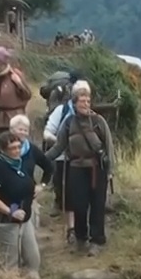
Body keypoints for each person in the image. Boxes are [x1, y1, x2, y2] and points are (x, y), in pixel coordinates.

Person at [0, 119, 55, 279]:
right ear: (3, 150)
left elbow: (46, 169)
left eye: (18, 147)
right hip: (5, 221)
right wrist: (11, 211)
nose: (16, 151)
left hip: (25, 217)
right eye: (12, 148)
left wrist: (40, 186)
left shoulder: (20, 162)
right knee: (11, 265)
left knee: (33, 260)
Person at [48, 87, 113, 255]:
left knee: (97, 205)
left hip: (97, 168)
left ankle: (97, 241)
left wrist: (110, 170)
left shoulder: (99, 121)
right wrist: (42, 159)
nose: (85, 104)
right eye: (82, 101)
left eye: (88, 101)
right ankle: (81, 239)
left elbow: (109, 147)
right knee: (79, 205)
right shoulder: (68, 123)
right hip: (76, 168)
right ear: (74, 103)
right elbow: (59, 146)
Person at [43, 79, 87, 237]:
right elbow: (47, 133)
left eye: (86, 95)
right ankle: (71, 228)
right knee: (67, 194)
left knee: (81, 194)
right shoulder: (61, 111)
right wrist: (61, 143)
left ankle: (81, 228)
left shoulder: (91, 114)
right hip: (63, 158)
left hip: (83, 161)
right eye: (80, 95)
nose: (83, 99)